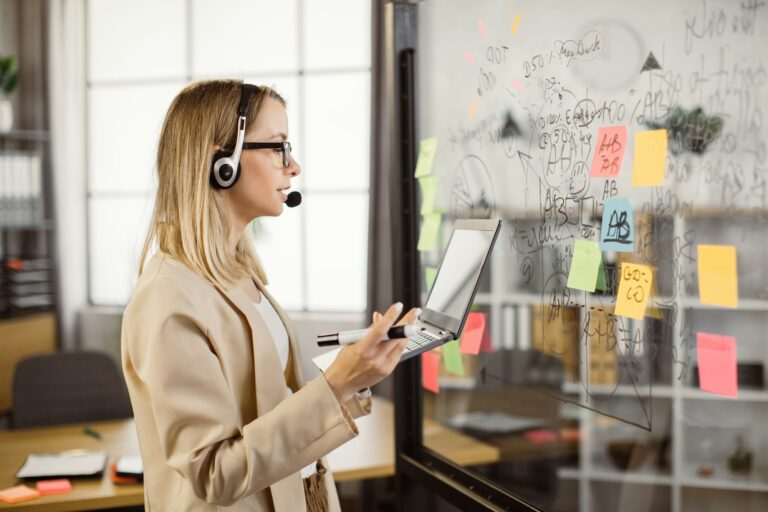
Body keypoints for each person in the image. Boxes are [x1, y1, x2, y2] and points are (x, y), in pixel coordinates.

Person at [121, 80, 419, 511]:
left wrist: (354, 376)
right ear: (221, 161)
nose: (293, 165)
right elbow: (214, 473)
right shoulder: (168, 297)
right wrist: (337, 384)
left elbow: (269, 408)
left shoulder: (237, 272)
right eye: (278, 146)